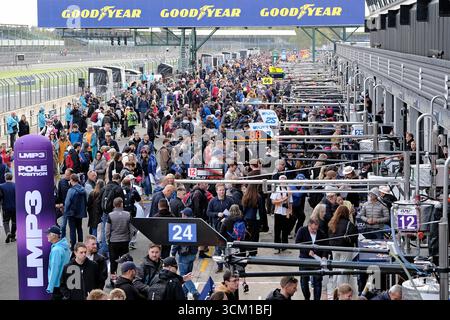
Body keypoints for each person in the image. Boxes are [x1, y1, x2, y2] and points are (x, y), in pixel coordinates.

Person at [171, 208, 200, 300]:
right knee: (188, 274)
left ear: (185, 215)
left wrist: (173, 253)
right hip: (193, 253)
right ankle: (184, 294)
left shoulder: (182, 225)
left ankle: (194, 292)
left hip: (184, 255)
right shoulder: (196, 224)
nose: (181, 215)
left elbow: (177, 240)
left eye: (183, 214)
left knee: (184, 276)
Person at [295, 218, 328, 300]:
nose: (314, 230)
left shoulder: (321, 233)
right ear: (309, 225)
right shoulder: (302, 230)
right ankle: (307, 297)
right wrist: (307, 250)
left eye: (316, 229)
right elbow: (297, 243)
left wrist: (324, 256)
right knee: (304, 281)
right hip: (304, 259)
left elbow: (325, 247)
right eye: (312, 229)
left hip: (317, 260)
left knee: (317, 281)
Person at [328, 205, 359, 293]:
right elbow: (354, 236)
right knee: (343, 269)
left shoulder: (332, 222)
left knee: (335, 268)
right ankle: (342, 289)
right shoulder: (349, 224)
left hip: (334, 248)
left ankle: (335, 288)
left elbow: (329, 235)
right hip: (345, 248)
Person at [106, 197, 132, 282]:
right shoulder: (128, 214)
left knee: (113, 262)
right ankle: (126, 278)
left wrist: (107, 239)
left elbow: (107, 229)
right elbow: (131, 228)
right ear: (121, 204)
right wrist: (130, 238)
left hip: (113, 241)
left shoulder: (110, 215)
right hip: (124, 240)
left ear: (114, 205)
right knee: (125, 261)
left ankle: (113, 280)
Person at [46, 225, 71, 299]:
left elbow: (54, 269)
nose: (47, 236)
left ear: (54, 236)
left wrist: (50, 287)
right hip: (64, 282)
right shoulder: (65, 247)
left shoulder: (56, 250)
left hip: (57, 284)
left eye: (49, 234)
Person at [64, 174, 87, 250]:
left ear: (72, 180)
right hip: (80, 213)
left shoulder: (71, 190)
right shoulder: (83, 190)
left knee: (72, 230)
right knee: (79, 228)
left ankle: (73, 246)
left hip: (71, 213)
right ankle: (81, 243)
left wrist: (65, 211)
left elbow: (67, 203)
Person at [271, 175, 293, 250]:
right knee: (277, 229)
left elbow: (290, 202)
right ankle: (276, 245)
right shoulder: (276, 189)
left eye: (284, 180)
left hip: (286, 212)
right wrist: (282, 200)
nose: (283, 182)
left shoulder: (289, 190)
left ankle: (285, 245)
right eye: (281, 180)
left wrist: (290, 211)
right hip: (278, 211)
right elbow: (273, 201)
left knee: (285, 229)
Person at [0, 173, 16, 243]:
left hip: (5, 207)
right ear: (12, 178)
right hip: (15, 207)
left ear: (5, 178)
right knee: (14, 222)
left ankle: (8, 232)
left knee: (5, 222)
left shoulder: (1, 186)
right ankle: (12, 236)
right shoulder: (16, 185)